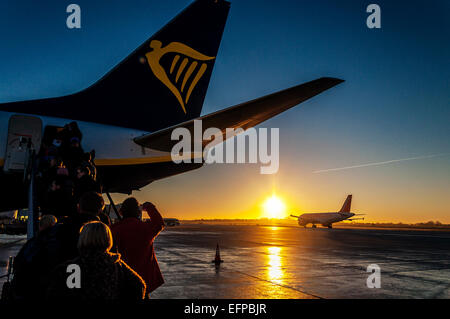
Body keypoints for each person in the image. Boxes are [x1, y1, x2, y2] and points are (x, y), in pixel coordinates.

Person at [46, 221, 146, 299]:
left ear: (82, 238)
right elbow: (139, 286)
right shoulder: (116, 265)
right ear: (108, 239)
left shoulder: (74, 268)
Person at [111, 198, 164, 296]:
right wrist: (149, 207)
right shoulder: (146, 228)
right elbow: (159, 223)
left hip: (122, 279)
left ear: (122, 212)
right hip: (144, 279)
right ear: (138, 212)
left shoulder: (113, 229)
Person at [9, 215, 58, 299]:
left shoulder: (33, 243)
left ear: (40, 226)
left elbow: (19, 263)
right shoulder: (56, 243)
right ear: (54, 226)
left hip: (28, 289)